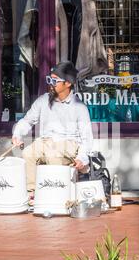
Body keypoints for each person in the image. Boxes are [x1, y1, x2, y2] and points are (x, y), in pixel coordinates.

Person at [12, 61, 93, 192]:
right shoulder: (43, 100)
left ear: (68, 83)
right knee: (27, 153)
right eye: (49, 79)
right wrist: (17, 134)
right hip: (45, 141)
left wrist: (82, 158)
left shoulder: (79, 108)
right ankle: (32, 193)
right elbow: (27, 121)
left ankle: (56, 193)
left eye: (55, 80)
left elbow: (87, 138)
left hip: (69, 143)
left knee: (53, 154)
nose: (50, 83)